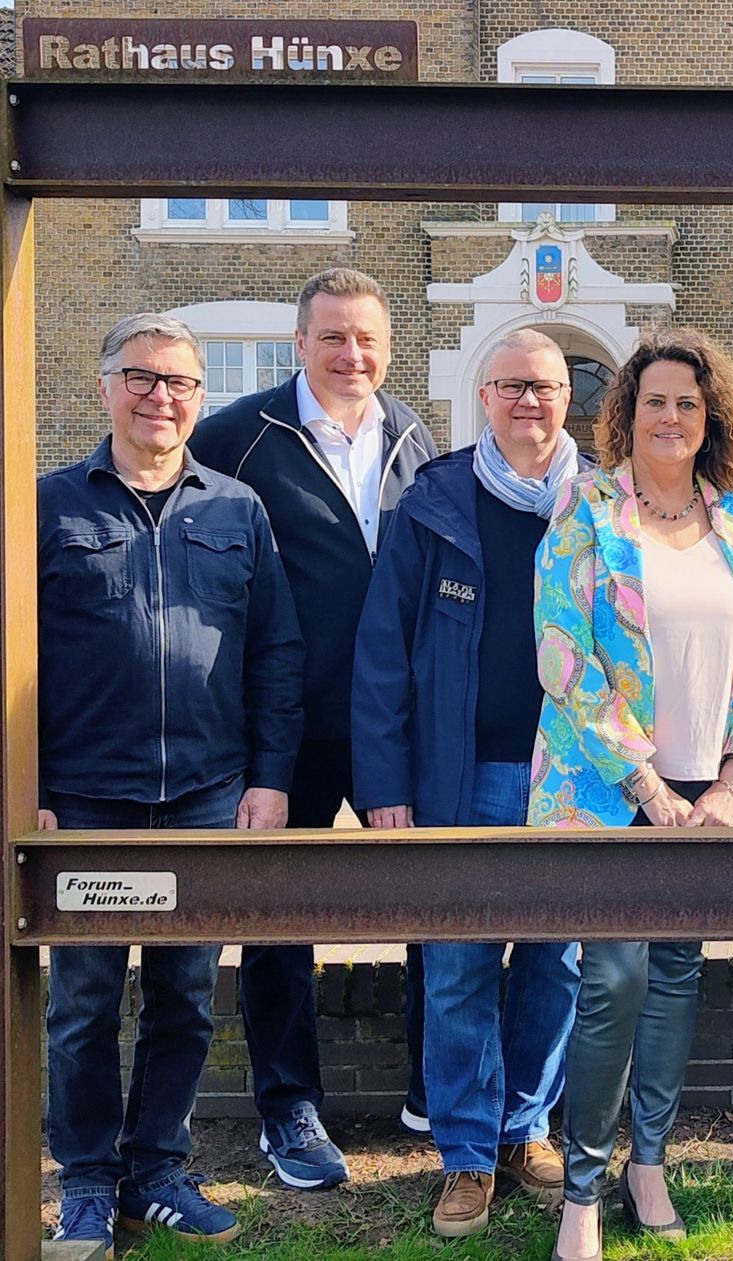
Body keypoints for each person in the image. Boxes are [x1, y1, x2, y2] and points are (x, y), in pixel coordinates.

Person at [39, 314, 304, 1256]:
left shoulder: (237, 510)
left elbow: (276, 653)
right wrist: (26, 786)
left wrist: (270, 779)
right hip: (84, 800)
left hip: (204, 793)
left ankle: (156, 1168)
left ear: (199, 397)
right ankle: (84, 1178)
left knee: (187, 993)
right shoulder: (47, 507)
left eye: (180, 382)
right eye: (141, 378)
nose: (161, 397)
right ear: (106, 386)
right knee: (82, 1001)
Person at [530, 330, 733, 1261]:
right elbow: (562, 653)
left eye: (688, 402)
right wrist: (643, 781)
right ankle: (583, 1186)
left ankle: (650, 1162)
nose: (670, 416)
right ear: (627, 415)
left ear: (710, 416)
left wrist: (732, 780)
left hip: (704, 790)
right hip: (610, 787)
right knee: (614, 978)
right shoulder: (588, 506)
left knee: (676, 971)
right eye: (654, 402)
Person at [190, 267, 437, 1189]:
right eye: (332, 336)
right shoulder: (237, 436)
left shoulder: (413, 435)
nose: (351, 355)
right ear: (299, 343)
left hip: (395, 723)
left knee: (431, 901)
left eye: (367, 338)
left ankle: (433, 1085)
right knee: (278, 916)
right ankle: (287, 1105)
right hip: (284, 726)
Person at [352, 328, 586, 1238]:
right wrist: (385, 785)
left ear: (568, 398)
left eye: (546, 386)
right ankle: (464, 1152)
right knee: (456, 968)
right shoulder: (435, 500)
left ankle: (524, 1128)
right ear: (485, 396)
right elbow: (382, 652)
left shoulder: (602, 501)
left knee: (555, 962)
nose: (530, 401)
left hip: (570, 777)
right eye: (513, 385)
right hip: (462, 775)